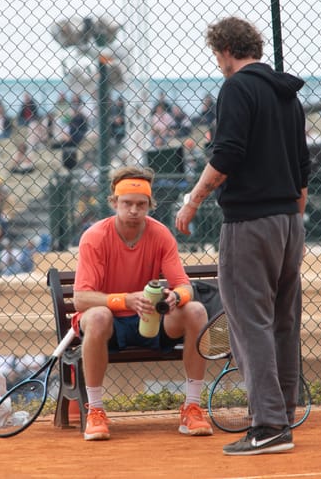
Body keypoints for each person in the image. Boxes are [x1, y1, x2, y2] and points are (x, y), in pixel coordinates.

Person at [175, 17, 309, 456]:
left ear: (226, 50)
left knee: (249, 321)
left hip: (250, 222)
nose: (217, 63)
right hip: (290, 220)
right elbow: (303, 167)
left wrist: (193, 199)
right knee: (283, 321)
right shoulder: (286, 93)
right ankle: (282, 414)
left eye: (217, 54)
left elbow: (227, 153)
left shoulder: (237, 88)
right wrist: (292, 216)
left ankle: (268, 425)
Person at [73, 165, 212, 441]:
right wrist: (125, 299)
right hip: (108, 326)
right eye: (127, 203)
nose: (134, 210)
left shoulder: (160, 235)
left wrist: (176, 297)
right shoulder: (94, 237)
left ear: (150, 205)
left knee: (195, 309)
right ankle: (95, 412)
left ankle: (193, 407)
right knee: (98, 315)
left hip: (152, 321)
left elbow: (184, 286)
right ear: (114, 203)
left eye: (141, 204)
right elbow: (80, 298)